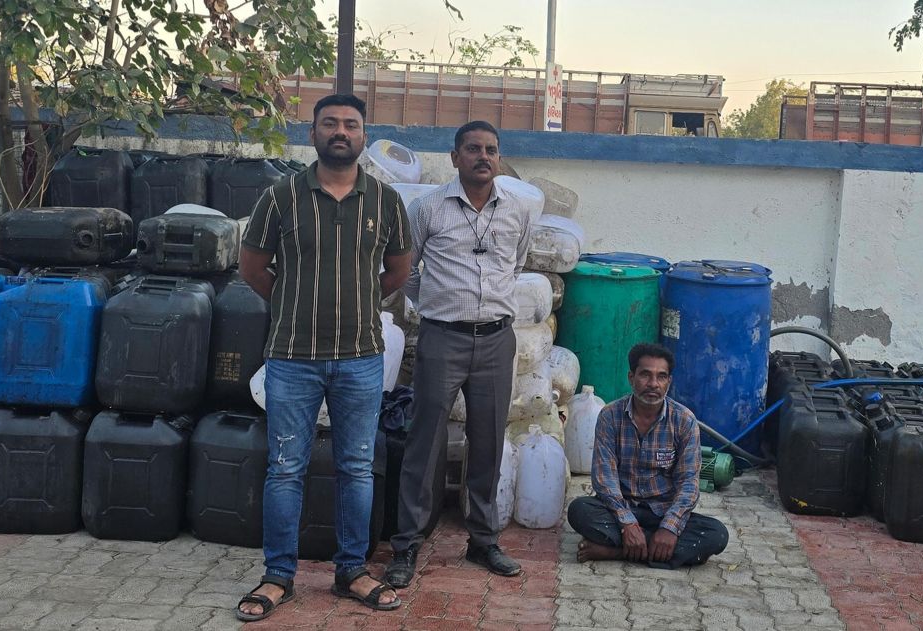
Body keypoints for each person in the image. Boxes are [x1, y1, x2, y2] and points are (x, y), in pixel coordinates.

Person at [234, 93, 411, 621]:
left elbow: (398, 271)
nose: (340, 131)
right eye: (329, 123)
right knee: (286, 468)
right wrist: (294, 304)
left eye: (351, 124)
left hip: (360, 357)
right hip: (292, 356)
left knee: (357, 467)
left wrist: (357, 301)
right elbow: (252, 267)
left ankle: (352, 570)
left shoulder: (386, 201)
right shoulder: (280, 197)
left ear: (363, 136)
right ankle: (277, 576)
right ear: (312, 133)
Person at [384, 120, 534, 587]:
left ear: (499, 157)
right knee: (424, 440)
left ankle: (483, 540)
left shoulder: (517, 211)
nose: (483, 156)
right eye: (473, 149)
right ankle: (407, 543)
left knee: (488, 441)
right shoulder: (427, 208)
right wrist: (436, 303)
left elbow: (517, 264)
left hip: (497, 340)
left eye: (491, 149)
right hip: (442, 338)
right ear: (455, 158)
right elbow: (406, 270)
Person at [567, 343, 730, 569]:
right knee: (579, 510)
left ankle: (617, 552)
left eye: (661, 377)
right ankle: (651, 548)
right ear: (631, 378)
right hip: (621, 510)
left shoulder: (684, 420)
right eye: (645, 375)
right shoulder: (610, 416)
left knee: (716, 534)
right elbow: (604, 479)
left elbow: (688, 484)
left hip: (663, 512)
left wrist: (670, 528)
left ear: (669, 382)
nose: (653, 384)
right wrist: (627, 524)